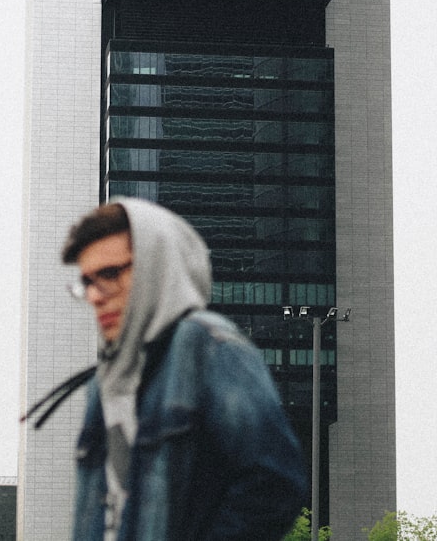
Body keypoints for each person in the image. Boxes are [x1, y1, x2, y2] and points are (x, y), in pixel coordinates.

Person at [25, 198, 306, 541]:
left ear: (156, 268)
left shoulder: (204, 345)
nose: (96, 296)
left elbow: (275, 484)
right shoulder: (104, 382)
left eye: (110, 274)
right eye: (88, 282)